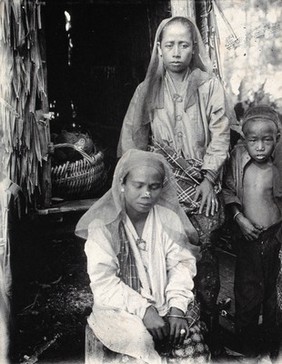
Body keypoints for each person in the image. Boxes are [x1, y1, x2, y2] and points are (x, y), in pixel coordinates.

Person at [117, 15, 231, 354]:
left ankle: (208, 332)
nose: (177, 52)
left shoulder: (209, 85)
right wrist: (142, 185)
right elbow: (132, 140)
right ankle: (173, 331)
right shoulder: (147, 89)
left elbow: (221, 135)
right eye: (170, 45)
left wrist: (209, 179)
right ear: (160, 49)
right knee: (167, 256)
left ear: (194, 47)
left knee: (204, 253)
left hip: (202, 184)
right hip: (164, 186)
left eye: (183, 44)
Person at [75, 149, 210, 364]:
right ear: (122, 184)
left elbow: (181, 265)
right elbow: (104, 283)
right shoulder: (103, 226)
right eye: (138, 186)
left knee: (192, 350)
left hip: (166, 301)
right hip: (120, 310)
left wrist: (176, 307)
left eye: (154, 187)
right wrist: (145, 310)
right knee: (140, 344)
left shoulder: (168, 220)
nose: (146, 194)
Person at [223, 105, 282, 360]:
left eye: (266, 141)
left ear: (276, 140)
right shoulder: (238, 162)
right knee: (247, 292)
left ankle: (271, 346)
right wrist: (239, 218)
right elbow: (228, 191)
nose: (260, 147)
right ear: (243, 141)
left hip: (275, 238)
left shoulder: (278, 166)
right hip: (248, 238)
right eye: (253, 140)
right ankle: (246, 345)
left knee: (273, 295)